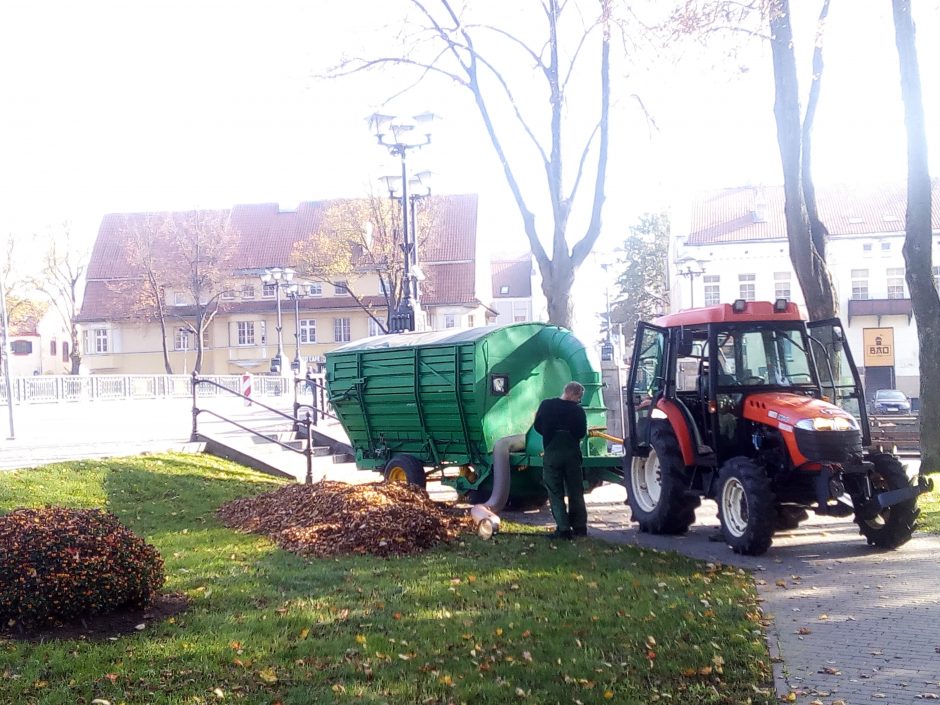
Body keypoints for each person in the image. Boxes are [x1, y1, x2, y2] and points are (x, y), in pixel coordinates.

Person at [533, 381, 588, 539]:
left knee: (555, 491)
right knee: (575, 491)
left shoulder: (546, 405)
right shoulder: (578, 411)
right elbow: (581, 432)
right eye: (579, 397)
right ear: (573, 394)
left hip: (552, 452)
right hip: (572, 454)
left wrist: (549, 435)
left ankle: (563, 529)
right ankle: (579, 527)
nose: (579, 401)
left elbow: (537, 425)